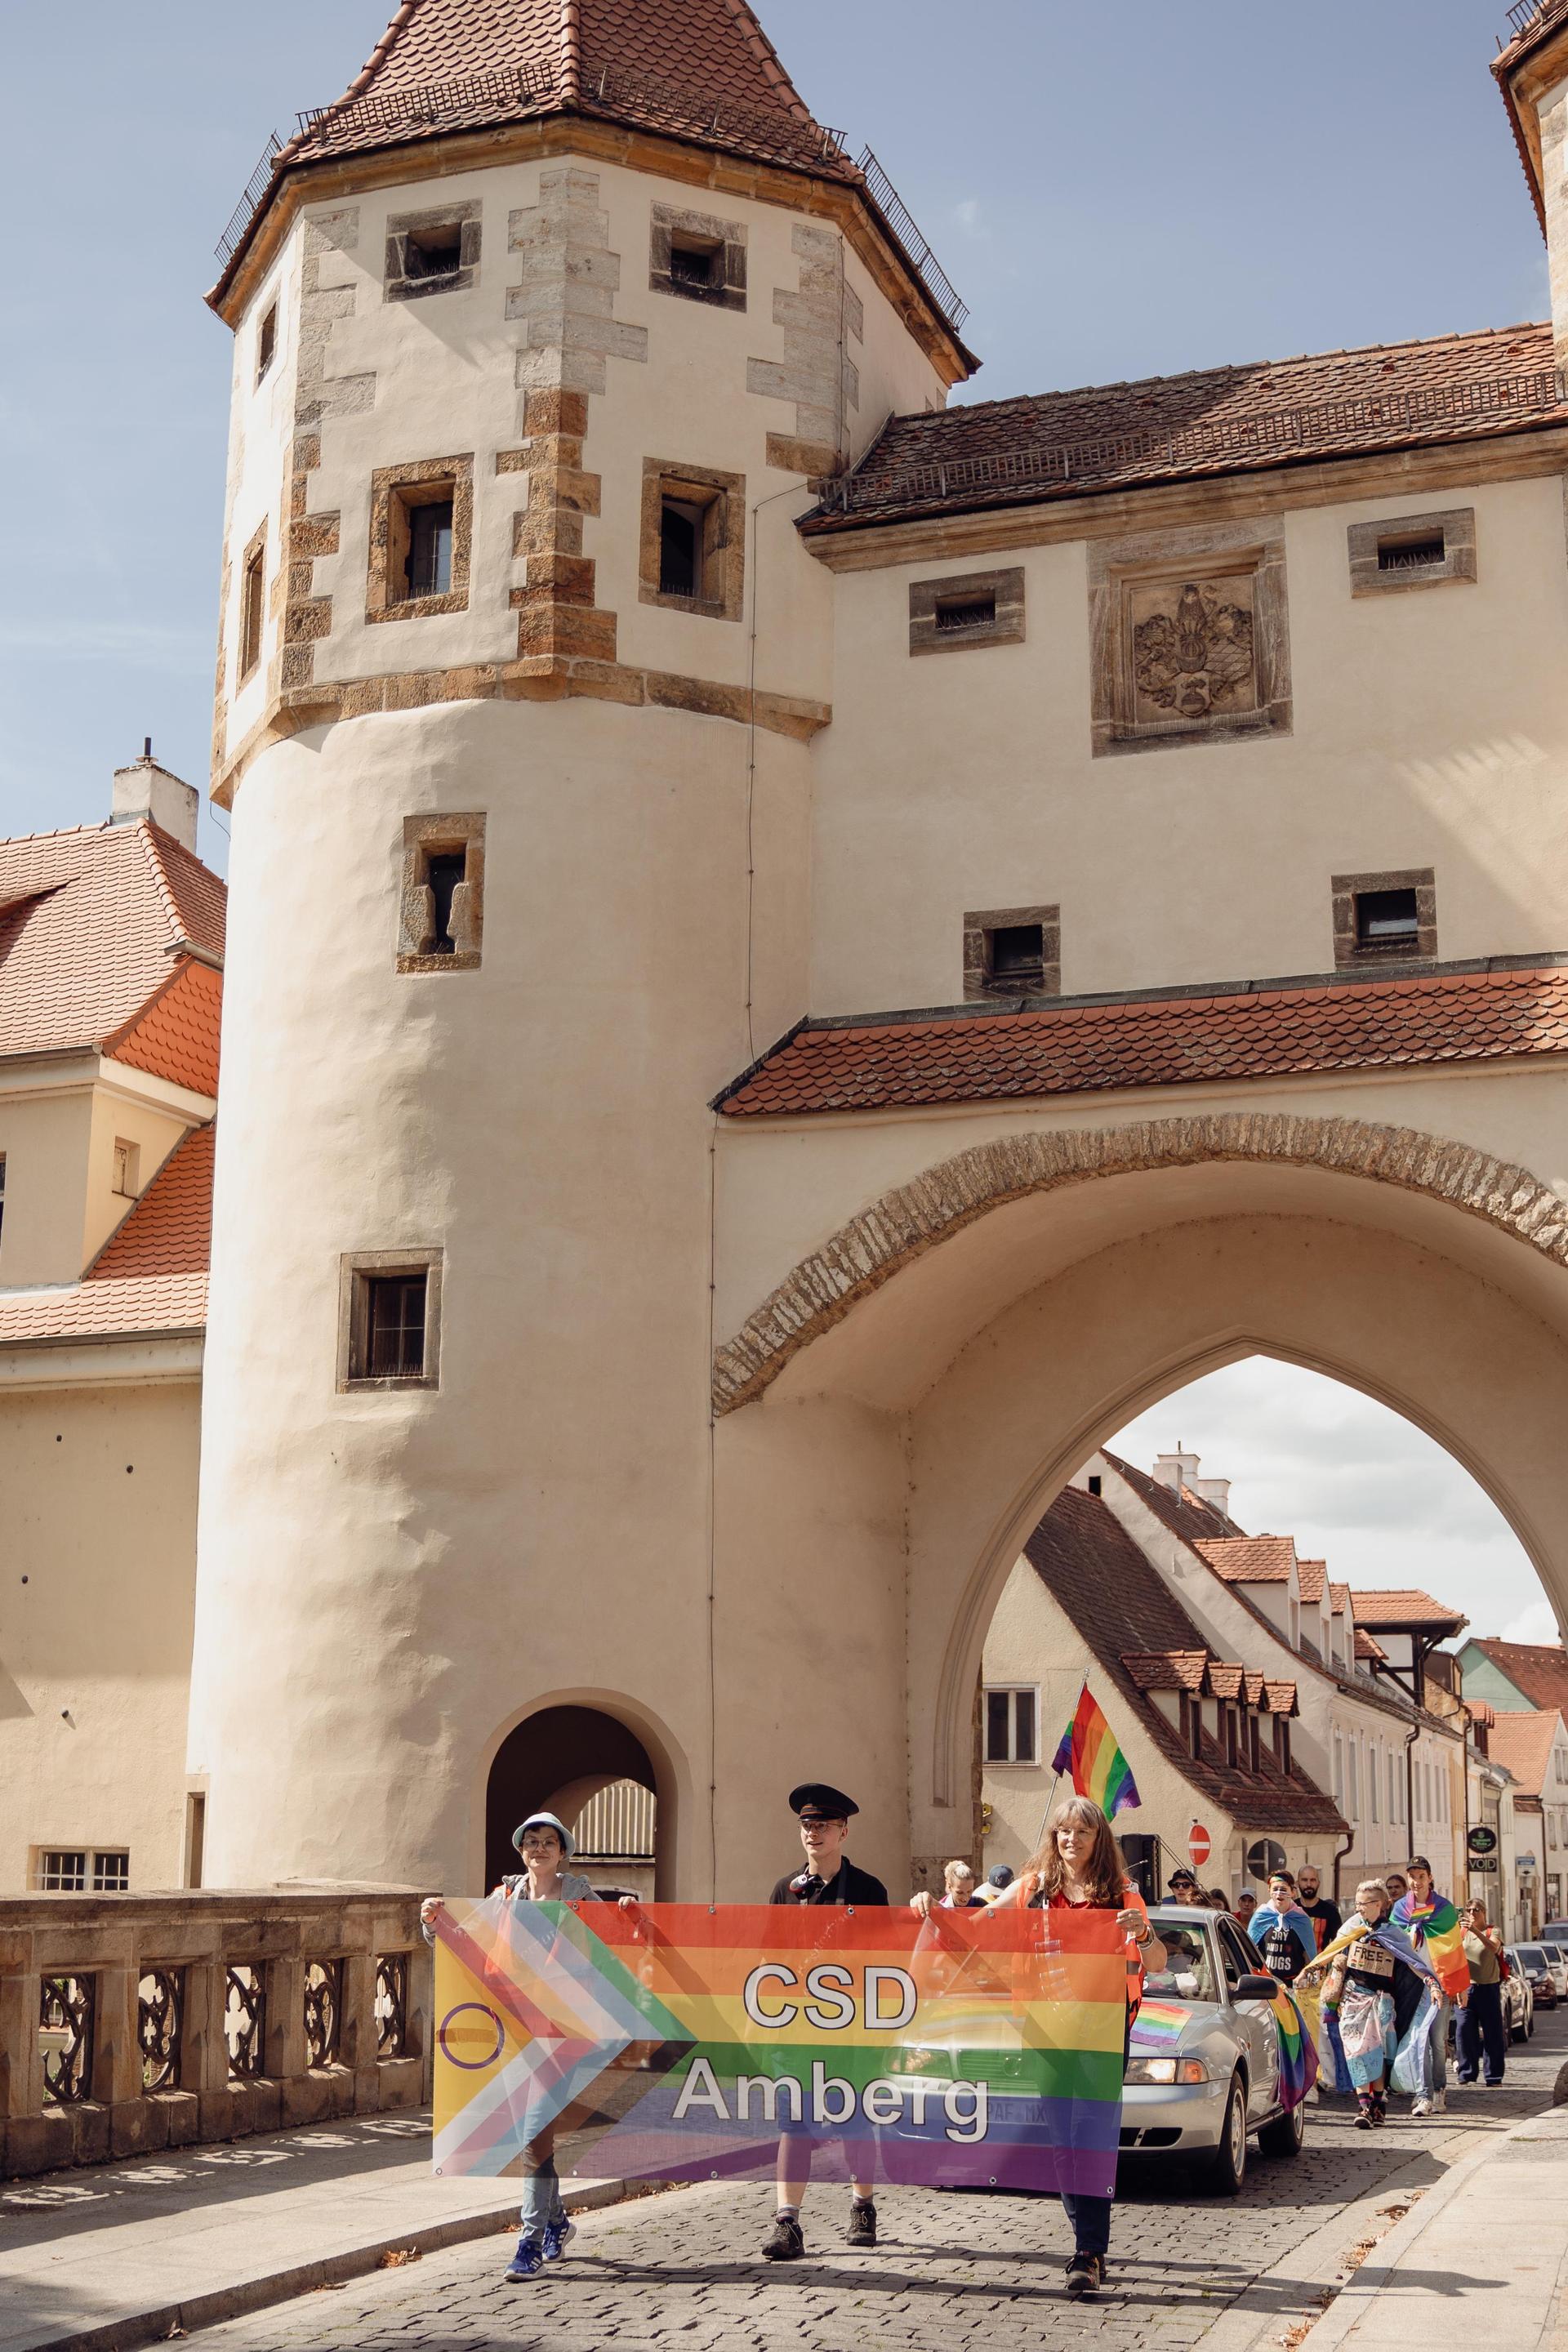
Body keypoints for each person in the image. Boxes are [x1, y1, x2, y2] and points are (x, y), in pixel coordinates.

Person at [922, 1795, 1165, 2300]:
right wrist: (930, 1909)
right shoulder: (1033, 1888)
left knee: (1093, 2136)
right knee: (1061, 2138)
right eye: (1062, 1832)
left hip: (1101, 2029)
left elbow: (1159, 1961)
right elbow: (975, 1923)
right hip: (1045, 2028)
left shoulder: (1122, 1895)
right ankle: (1087, 2241)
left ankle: (1089, 2251)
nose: (1070, 1840)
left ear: (1100, 1841)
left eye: (1081, 1832)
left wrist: (1141, 1934)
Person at [421, 1811, 617, 2284]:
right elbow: (461, 1939)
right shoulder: (505, 1896)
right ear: (521, 1850)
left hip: (564, 2032)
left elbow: (614, 1938)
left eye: (549, 1842)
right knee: (535, 2136)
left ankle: (528, 2241)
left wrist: (626, 1908)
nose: (539, 1849)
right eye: (531, 1842)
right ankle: (556, 2223)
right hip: (514, 2030)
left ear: (562, 1851)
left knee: (532, 2133)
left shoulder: (580, 1896)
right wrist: (432, 1922)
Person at [763, 1784, 888, 2262]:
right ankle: (787, 2222)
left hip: (853, 2026)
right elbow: (769, 1957)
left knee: (856, 2118)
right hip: (797, 2027)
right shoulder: (784, 1889)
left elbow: (884, 1960)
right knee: (794, 2123)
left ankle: (862, 2205)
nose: (812, 1833)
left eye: (822, 1825)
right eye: (806, 1826)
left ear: (844, 1831)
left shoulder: (868, 1890)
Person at [1299, 1880, 1442, 2124]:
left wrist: (1431, 1983)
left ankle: (1377, 2103)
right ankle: (1365, 2106)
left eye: (1363, 1904)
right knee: (1356, 2052)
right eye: (1356, 1903)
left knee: (1378, 2054)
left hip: (1382, 2002)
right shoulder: (1354, 1929)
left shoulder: (1393, 1933)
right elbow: (1333, 1950)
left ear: (1379, 1904)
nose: (1359, 1909)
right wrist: (1310, 1969)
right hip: (1353, 1999)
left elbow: (1412, 1963)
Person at [1390, 1856, 1468, 2117]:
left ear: (1430, 1878)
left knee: (1437, 2042)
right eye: (1412, 1876)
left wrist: (1460, 1987)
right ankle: (1423, 2095)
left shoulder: (1444, 1910)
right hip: (1413, 1987)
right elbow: (1393, 1945)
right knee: (1418, 2041)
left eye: (1421, 1876)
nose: (1416, 1881)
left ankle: (1439, 2090)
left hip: (1441, 1986)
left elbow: (1455, 1950)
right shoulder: (1400, 1909)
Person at [1454, 1900, 1507, 2088]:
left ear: (1483, 1912)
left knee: (1492, 2033)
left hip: (1488, 1988)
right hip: (1466, 1988)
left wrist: (1475, 1931)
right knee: (1463, 2030)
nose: (1472, 1913)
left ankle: (1493, 2076)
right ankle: (1467, 2073)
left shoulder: (1493, 1931)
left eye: (1476, 1910)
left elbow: (1494, 1948)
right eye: (1468, 1910)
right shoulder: (1461, 1932)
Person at [1249, 1871, 1316, 1987]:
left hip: (1294, 1985)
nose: (1279, 1893)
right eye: (1275, 1889)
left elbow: (1309, 1955)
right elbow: (1249, 1951)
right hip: (1266, 1985)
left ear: (1293, 1892)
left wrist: (1304, 1977)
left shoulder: (1301, 1919)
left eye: (1284, 1889)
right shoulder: (1261, 1916)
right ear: (1269, 1891)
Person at [1295, 1866, 1342, 1953]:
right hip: (1293, 1965)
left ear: (1318, 1883)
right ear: (1298, 1883)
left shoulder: (1330, 1911)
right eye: (1304, 1880)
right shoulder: (1291, 1909)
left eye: (1313, 1880)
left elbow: (1339, 1943)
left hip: (1320, 1965)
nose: (1309, 1884)